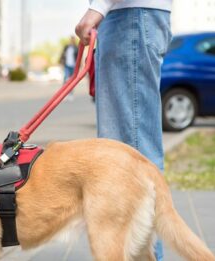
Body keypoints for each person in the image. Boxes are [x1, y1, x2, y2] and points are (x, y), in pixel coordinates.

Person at [75, 0, 172, 260]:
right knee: (124, 160)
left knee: (129, 159)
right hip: (129, 18)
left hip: (130, 16)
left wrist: (99, 7)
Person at [60, 36, 78, 101]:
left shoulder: (76, 48)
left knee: (71, 81)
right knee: (66, 80)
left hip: (73, 66)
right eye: (71, 40)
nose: (71, 41)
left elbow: (78, 57)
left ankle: (70, 94)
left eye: (73, 40)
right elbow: (62, 55)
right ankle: (64, 94)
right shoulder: (66, 47)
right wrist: (61, 63)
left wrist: (79, 66)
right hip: (66, 65)